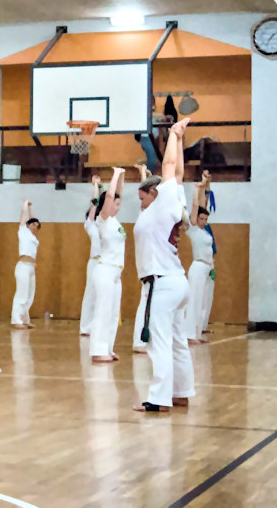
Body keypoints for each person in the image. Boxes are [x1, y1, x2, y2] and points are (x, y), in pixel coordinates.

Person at [133, 117, 194, 414]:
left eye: (143, 193)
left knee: (159, 343)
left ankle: (159, 398)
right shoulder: (174, 200)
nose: (140, 197)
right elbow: (179, 170)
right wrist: (180, 141)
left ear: (154, 192)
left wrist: (172, 134)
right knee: (177, 340)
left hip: (163, 283)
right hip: (175, 282)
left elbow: (170, 168)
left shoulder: (165, 202)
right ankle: (181, 392)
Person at [90, 167, 127, 363]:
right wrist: (114, 174)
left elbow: (118, 193)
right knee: (103, 310)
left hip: (116, 273)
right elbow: (111, 195)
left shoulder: (115, 221)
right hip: (104, 269)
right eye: (115, 203)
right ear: (107, 204)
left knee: (113, 313)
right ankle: (97, 350)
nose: (118, 206)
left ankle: (108, 348)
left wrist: (121, 176)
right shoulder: (102, 219)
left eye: (119, 204)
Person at [185, 170, 215, 345]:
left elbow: (204, 204)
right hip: (197, 267)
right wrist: (197, 189)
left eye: (205, 219)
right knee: (194, 301)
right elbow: (197, 206)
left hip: (206, 267)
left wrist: (206, 184)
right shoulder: (193, 229)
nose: (203, 221)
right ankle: (188, 333)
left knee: (203, 302)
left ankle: (196, 333)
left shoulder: (205, 232)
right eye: (201, 218)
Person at [130, 164, 151, 354]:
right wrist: (143, 174)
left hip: (152, 266)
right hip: (147, 267)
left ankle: (146, 338)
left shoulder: (151, 216)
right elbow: (144, 194)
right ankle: (138, 341)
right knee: (145, 302)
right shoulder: (143, 216)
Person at [78, 175, 103, 337]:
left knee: (102, 296)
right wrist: (96, 186)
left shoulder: (105, 224)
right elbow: (94, 204)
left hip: (106, 263)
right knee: (90, 294)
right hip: (94, 262)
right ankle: (85, 327)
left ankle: (97, 325)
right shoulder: (90, 225)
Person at [11, 200, 40, 329]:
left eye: (37, 226)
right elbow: (24, 219)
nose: (35, 227)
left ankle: (24, 319)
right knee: (21, 294)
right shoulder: (23, 232)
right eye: (33, 224)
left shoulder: (33, 237)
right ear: (29, 225)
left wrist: (31, 209)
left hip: (31, 267)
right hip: (23, 266)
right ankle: (16, 320)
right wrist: (25, 205)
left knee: (29, 295)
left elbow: (32, 219)